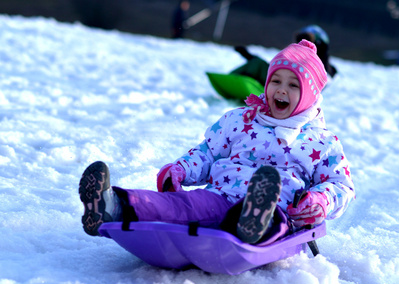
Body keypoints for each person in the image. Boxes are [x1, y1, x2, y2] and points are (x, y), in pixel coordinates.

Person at [79, 40, 355, 246]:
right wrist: (182, 170)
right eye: (276, 81)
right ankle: (112, 205)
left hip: (277, 209)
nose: (281, 90)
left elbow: (341, 185)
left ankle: (252, 223)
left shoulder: (321, 142)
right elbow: (208, 152)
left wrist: (319, 201)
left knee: (273, 222)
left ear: (311, 96)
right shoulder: (241, 120)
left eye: (294, 85)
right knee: (178, 206)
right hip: (219, 195)